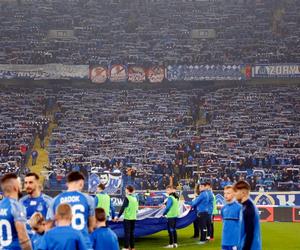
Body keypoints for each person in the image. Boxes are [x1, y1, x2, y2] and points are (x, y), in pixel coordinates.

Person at [46, 171, 95, 249]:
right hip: (84, 243)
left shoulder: (56, 200)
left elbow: (49, 226)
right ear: (81, 183)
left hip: (62, 244)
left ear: (67, 184)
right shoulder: (88, 199)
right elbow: (92, 226)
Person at [0, 173, 32, 250]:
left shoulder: (1, 205)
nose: (22, 186)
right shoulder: (16, 206)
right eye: (20, 184)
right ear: (15, 187)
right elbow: (23, 238)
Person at [234, 180, 262, 250]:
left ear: (243, 193)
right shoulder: (245, 206)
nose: (235, 194)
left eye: (236, 191)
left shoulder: (249, 208)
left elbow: (250, 233)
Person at [116, 185, 138, 250]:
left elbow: (123, 207)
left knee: (127, 233)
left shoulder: (127, 198)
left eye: (126, 189)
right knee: (132, 233)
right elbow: (136, 209)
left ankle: (126, 247)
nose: (125, 190)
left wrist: (118, 216)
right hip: (133, 218)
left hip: (128, 218)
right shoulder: (135, 198)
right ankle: (132, 247)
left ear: (128, 190)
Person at [221, 185, 242, 250]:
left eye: (228, 193)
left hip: (235, 241)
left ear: (234, 194)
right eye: (224, 193)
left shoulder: (239, 208)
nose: (225, 195)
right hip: (225, 241)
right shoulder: (223, 208)